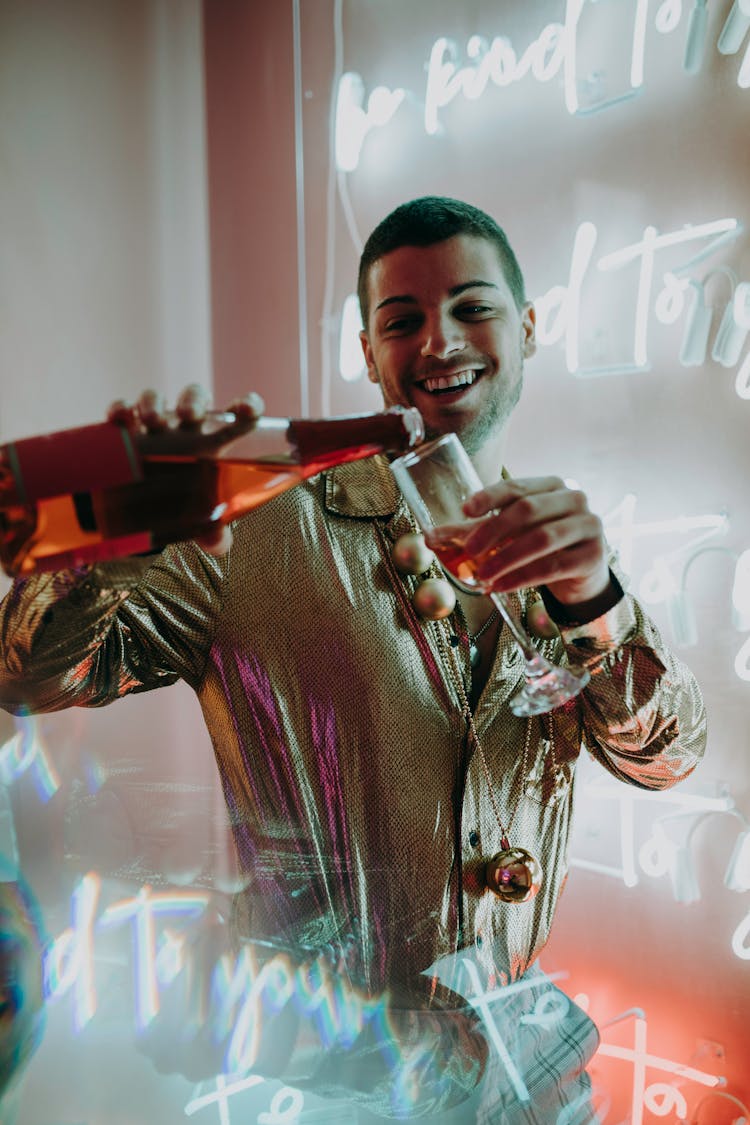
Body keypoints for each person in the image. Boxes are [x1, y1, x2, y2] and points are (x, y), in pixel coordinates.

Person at [0, 197, 707, 1122]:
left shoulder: (558, 547)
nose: (439, 341)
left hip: (522, 1069)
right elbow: (30, 671)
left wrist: (599, 599)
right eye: (402, 319)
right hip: (330, 1081)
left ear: (529, 328)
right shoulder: (254, 524)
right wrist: (119, 529)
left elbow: (670, 756)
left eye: (473, 306)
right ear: (369, 354)